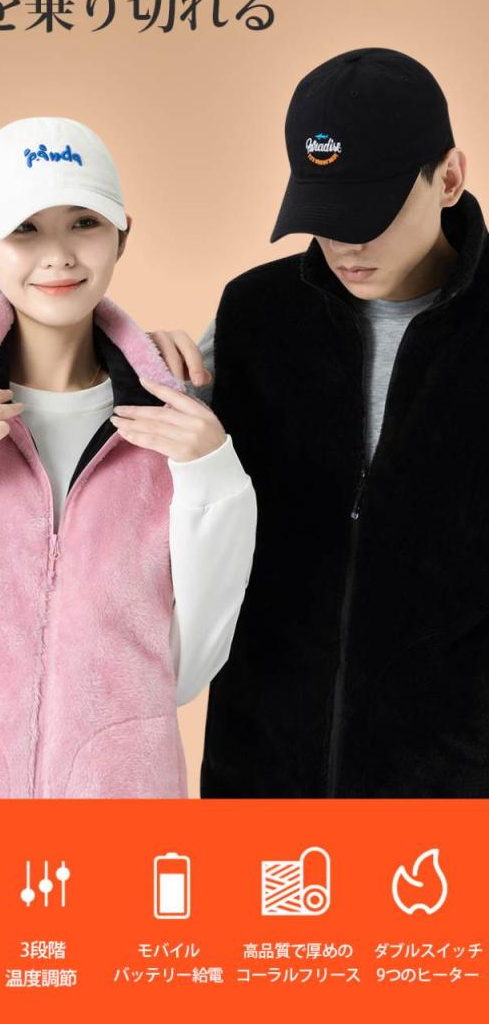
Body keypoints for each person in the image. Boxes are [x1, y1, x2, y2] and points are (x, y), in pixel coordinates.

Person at [0, 116, 257, 799]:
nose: (59, 256)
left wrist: (214, 478)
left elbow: (184, 672)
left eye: (84, 223)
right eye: (26, 229)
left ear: (123, 232)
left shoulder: (179, 428)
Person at [148, 46, 489, 798]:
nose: (345, 244)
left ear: (449, 178)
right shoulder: (255, 314)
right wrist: (139, 370)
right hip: (259, 776)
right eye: (325, 215)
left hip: (452, 792)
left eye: (370, 213)